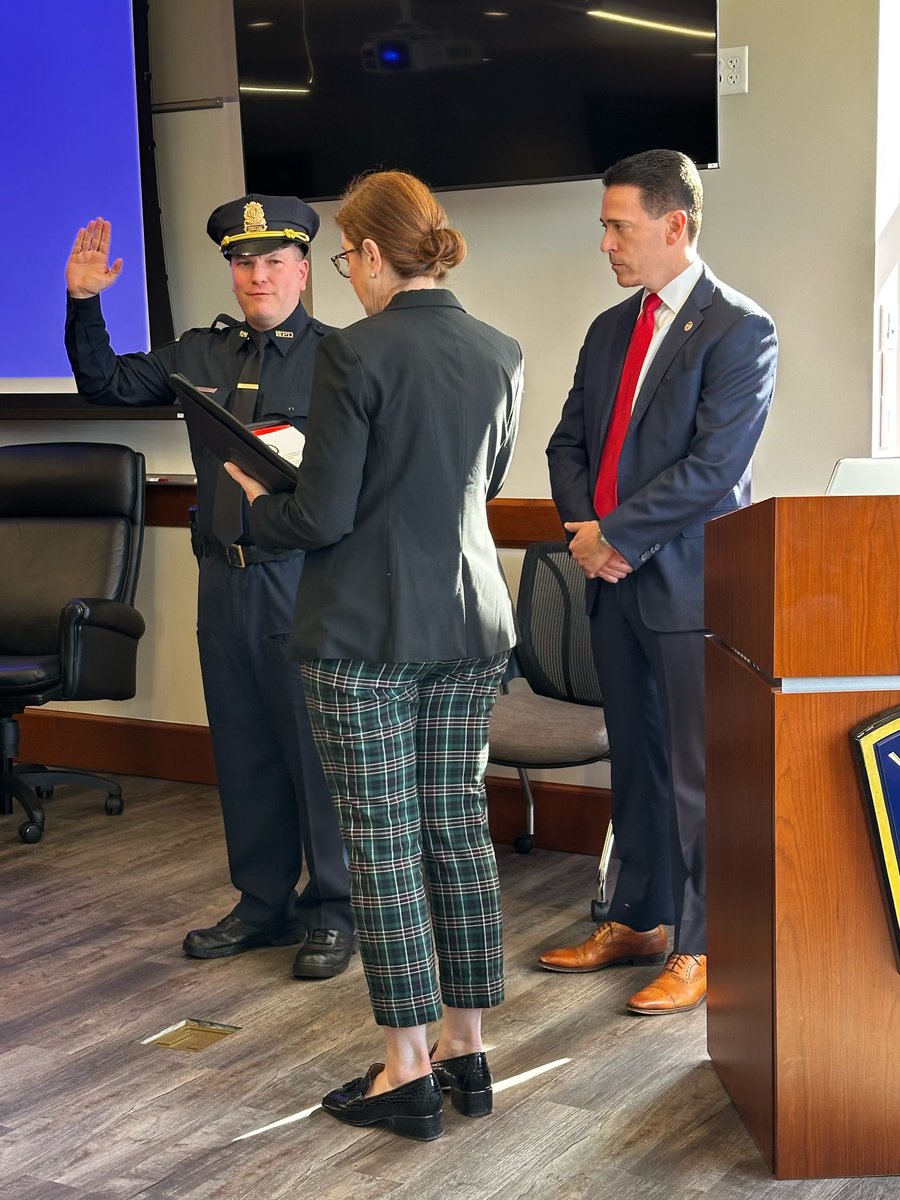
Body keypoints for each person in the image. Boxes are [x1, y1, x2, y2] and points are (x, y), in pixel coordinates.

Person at [226, 170, 522, 1141]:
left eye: (345, 257)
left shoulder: (354, 354)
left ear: (366, 254)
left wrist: (255, 497)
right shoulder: (500, 350)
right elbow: (475, 486)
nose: (345, 274)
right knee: (457, 837)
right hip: (471, 626)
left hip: (363, 639)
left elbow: (325, 513)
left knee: (387, 850)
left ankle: (406, 1068)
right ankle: (467, 1052)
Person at [63, 196, 355, 979]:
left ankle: (335, 911)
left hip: (300, 581)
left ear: (301, 270)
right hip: (222, 580)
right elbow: (107, 385)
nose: (256, 276)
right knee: (246, 746)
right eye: (242, 263)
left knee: (313, 751)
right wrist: (85, 302)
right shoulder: (201, 352)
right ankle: (264, 905)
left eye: (271, 262)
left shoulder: (341, 357)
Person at [539, 149, 777, 1014]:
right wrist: (585, 535)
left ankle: (705, 944)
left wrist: (618, 537)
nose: (604, 242)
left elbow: (716, 468)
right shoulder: (610, 329)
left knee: (695, 771)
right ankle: (637, 917)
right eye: (604, 225)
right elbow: (568, 445)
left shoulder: (739, 329)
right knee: (634, 763)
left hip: (685, 589)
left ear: (674, 226)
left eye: (618, 225)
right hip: (609, 582)